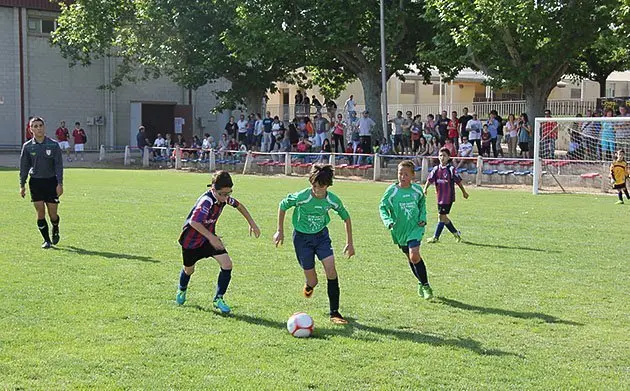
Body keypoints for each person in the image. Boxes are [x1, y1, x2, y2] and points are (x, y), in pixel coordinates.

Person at [273, 164, 355, 324]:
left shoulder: (332, 200)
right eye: (314, 186)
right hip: (302, 239)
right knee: (313, 281)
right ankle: (309, 285)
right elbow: (283, 206)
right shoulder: (303, 196)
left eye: (321, 187)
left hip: (321, 237)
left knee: (331, 270)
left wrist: (349, 243)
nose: (317, 190)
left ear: (328, 185)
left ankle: (335, 313)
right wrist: (280, 231)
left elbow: (346, 217)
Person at [175, 171, 261, 313]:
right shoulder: (206, 201)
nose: (226, 197)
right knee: (189, 270)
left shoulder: (224, 197)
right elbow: (194, 222)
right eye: (223, 194)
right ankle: (182, 289)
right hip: (191, 241)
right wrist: (212, 237)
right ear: (213, 189)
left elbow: (239, 205)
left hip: (208, 238)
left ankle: (218, 299)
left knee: (227, 264)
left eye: (229, 193)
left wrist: (252, 223)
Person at [379, 160, 432, 299]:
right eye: (400, 173)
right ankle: (421, 281)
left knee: (414, 255)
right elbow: (382, 207)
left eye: (406, 174)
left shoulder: (417, 190)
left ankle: (426, 286)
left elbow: (422, 205)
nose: (402, 177)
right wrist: (388, 221)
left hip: (415, 227)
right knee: (411, 257)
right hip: (399, 230)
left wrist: (423, 217)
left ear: (413, 175)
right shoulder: (392, 191)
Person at [19, 117, 64, 249]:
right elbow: (24, 167)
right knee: (40, 212)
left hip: (51, 182)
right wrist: (22, 185)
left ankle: (55, 227)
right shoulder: (27, 147)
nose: (38, 128)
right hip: (36, 183)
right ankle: (46, 240)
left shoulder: (53, 145)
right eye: (35, 126)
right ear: (31, 129)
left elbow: (58, 166)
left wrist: (59, 183)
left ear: (44, 127)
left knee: (53, 214)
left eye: (40, 125)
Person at [424, 147, 469, 243]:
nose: (442, 157)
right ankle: (456, 234)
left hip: (448, 198)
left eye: (444, 155)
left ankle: (435, 237)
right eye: (440, 155)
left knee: (441, 217)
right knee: (444, 218)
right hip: (439, 198)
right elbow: (429, 180)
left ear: (449, 157)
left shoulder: (451, 169)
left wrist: (464, 192)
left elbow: (458, 181)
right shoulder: (436, 169)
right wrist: (425, 189)